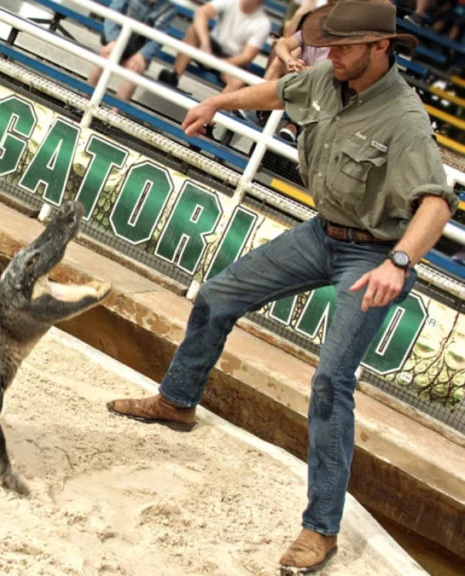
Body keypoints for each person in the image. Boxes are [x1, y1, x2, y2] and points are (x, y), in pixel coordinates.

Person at [105, 0, 458, 574]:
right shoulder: (329, 75)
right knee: (218, 295)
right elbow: (276, 96)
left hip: (373, 254)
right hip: (323, 233)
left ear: (381, 47)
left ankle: (321, 528)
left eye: (343, 47)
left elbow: (437, 205)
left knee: (331, 381)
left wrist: (398, 261)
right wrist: (219, 100)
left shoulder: (405, 117)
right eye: (331, 46)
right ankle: (176, 400)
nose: (331, 55)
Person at [157, 0, 272, 95]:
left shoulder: (262, 23)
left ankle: (212, 116)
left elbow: (247, 56)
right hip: (211, 47)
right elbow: (201, 13)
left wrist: (220, 62)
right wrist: (205, 44)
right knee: (194, 30)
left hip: (232, 60)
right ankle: (174, 77)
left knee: (237, 82)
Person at [259, 6, 332, 141]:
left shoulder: (338, 45)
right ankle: (258, 106)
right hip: (298, 75)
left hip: (317, 85)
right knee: (279, 61)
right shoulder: (309, 32)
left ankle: (294, 125)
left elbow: (327, 70)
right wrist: (290, 61)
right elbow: (281, 44)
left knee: (317, 79)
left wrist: (302, 68)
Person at [87, 0, 178, 102]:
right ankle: (86, 99)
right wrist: (113, 40)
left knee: (136, 67)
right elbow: (112, 14)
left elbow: (158, 38)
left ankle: (116, 112)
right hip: (116, 35)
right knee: (106, 55)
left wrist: (142, 55)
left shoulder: (168, 7)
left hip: (138, 46)